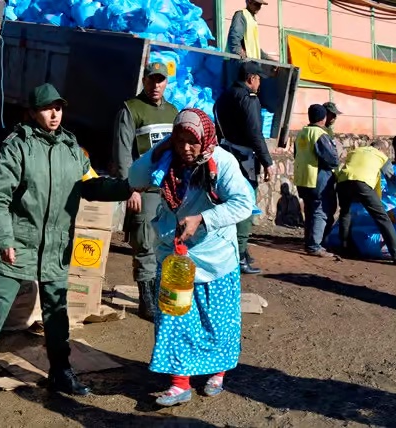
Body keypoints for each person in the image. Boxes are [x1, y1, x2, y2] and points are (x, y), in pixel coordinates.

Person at [0, 83, 133, 403]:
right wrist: (4, 239)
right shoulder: (18, 146)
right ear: (32, 112)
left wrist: (128, 187)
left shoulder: (72, 148)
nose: (54, 114)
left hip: (55, 245)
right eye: (47, 108)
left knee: (56, 312)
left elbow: (92, 186)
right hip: (19, 243)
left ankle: (60, 372)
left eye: (59, 108)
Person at [128, 108, 254, 406]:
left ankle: (217, 373)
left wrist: (204, 218)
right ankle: (179, 383)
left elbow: (244, 203)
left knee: (217, 322)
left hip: (215, 257)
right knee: (174, 317)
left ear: (205, 139)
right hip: (174, 255)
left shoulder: (222, 162)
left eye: (192, 141)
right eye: (179, 140)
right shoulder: (167, 159)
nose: (185, 148)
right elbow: (135, 177)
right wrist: (160, 149)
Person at [113, 62, 178, 321]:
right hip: (144, 190)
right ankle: (146, 301)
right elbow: (122, 154)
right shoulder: (131, 109)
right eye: (151, 80)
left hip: (169, 191)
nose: (156, 85)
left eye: (160, 80)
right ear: (144, 81)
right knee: (145, 244)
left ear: (166, 83)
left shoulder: (173, 112)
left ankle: (161, 294)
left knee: (168, 243)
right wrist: (130, 189)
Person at [214, 61, 276, 274]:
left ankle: (235, 250)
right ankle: (239, 255)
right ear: (251, 79)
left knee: (226, 200)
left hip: (225, 154)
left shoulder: (224, 96)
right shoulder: (249, 99)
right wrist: (267, 161)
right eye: (259, 80)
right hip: (244, 159)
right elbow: (255, 133)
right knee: (244, 203)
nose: (260, 85)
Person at [336, 140, 396, 266]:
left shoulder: (355, 151)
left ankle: (344, 249)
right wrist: (395, 192)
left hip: (343, 182)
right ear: (381, 149)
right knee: (383, 218)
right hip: (362, 183)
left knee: (345, 213)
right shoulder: (381, 156)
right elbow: (391, 177)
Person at [294, 104, 339, 257]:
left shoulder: (302, 133)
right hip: (317, 178)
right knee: (321, 210)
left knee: (309, 211)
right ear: (323, 118)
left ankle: (310, 242)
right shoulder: (319, 134)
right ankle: (315, 245)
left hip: (302, 177)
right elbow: (332, 159)